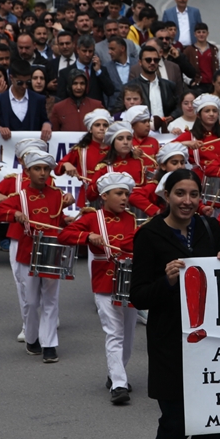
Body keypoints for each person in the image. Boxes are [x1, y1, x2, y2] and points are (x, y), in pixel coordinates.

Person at [132, 168, 220, 439]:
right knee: (175, 423)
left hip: (208, 343)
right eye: (180, 193)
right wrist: (167, 281)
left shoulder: (209, 228)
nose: (187, 201)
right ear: (167, 195)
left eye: (194, 194)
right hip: (169, 344)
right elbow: (138, 296)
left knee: (210, 428)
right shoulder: (149, 235)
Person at [59, 172, 140, 404]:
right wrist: (87, 236)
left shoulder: (132, 219)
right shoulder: (93, 218)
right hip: (104, 283)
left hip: (129, 281)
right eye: (119, 193)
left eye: (126, 193)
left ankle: (117, 373)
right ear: (104, 196)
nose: (124, 198)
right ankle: (119, 384)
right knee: (114, 332)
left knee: (129, 336)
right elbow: (65, 234)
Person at [0, 150, 74, 363]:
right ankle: (31, 337)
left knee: (51, 300)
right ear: (28, 171)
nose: (43, 173)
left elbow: (58, 220)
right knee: (31, 300)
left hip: (51, 253)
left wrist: (70, 223)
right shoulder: (19, 197)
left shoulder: (56, 194)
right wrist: (14, 214)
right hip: (28, 254)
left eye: (46, 169)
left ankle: (49, 344)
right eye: (37, 169)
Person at [87, 121, 156, 203]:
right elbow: (90, 196)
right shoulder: (105, 166)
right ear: (113, 143)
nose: (126, 142)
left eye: (129, 138)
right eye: (120, 139)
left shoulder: (139, 162)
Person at [0, 59, 52, 141]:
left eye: (28, 82)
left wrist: (47, 125)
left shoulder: (38, 100)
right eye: (20, 83)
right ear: (11, 78)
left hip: (31, 148)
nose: (24, 86)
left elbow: (45, 120)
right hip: (7, 149)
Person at [174, 94, 220, 178]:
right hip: (198, 179)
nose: (211, 114)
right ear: (198, 115)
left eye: (214, 111)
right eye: (207, 111)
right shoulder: (190, 135)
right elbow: (164, 150)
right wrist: (186, 143)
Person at [133, 45, 178, 127]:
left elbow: (180, 105)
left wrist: (173, 115)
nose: (152, 62)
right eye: (148, 60)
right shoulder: (131, 87)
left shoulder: (169, 85)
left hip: (167, 130)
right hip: (142, 132)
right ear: (140, 62)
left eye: (156, 60)